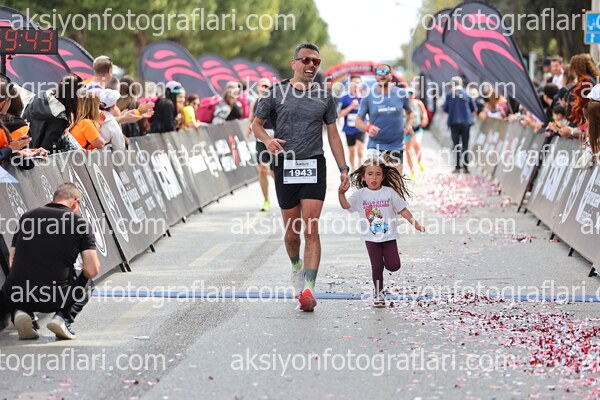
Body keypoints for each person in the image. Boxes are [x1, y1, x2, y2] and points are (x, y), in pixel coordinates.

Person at [252, 43, 350, 312]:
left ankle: (309, 287)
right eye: (306, 60)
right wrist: (268, 141)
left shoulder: (324, 97)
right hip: (285, 165)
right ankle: (296, 267)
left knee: (311, 228)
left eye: (316, 62)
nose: (311, 65)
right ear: (294, 63)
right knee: (292, 232)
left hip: (314, 165)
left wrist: (343, 168)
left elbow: (333, 134)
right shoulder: (275, 93)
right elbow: (256, 125)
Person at [0, 183, 100, 340]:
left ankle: (19, 311)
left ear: (54, 198)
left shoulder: (27, 216)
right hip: (55, 298)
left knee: (11, 283)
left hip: (20, 294)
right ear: (76, 202)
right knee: (88, 283)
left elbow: (12, 260)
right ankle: (63, 317)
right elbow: (92, 270)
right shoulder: (80, 223)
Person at [338, 157, 424, 307]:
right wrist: (341, 194)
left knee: (394, 266)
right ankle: (379, 295)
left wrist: (416, 224)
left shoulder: (389, 192)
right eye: (370, 174)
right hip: (371, 238)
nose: (374, 178)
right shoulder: (360, 194)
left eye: (378, 174)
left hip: (389, 236)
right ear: (363, 177)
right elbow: (346, 206)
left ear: (383, 177)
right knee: (377, 267)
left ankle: (385, 262)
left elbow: (403, 209)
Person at [355, 64, 414, 175]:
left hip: (396, 146)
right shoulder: (368, 97)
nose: (382, 75)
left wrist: (408, 125)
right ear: (375, 76)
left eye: (386, 72)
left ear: (391, 76)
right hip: (375, 146)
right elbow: (358, 122)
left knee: (395, 181)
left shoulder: (401, 94)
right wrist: (368, 127)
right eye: (379, 73)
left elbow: (410, 113)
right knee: (374, 181)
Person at [24, 73, 83, 153]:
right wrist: (72, 149)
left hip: (23, 152)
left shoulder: (37, 99)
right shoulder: (59, 119)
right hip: (39, 157)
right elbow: (49, 149)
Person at [247, 78, 274, 211]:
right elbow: (251, 119)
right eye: (262, 86)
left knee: (275, 173)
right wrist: (249, 127)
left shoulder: (275, 102)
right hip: (261, 140)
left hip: (274, 140)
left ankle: (284, 198)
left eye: (267, 86)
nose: (264, 88)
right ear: (257, 88)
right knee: (262, 169)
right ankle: (266, 200)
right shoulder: (255, 102)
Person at [443, 76, 475, 173]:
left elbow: (445, 108)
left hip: (454, 122)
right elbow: (473, 108)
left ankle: (457, 167)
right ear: (461, 83)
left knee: (456, 145)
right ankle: (465, 167)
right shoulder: (467, 93)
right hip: (466, 122)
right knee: (465, 145)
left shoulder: (449, 94)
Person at [338, 75, 366, 170]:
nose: (356, 84)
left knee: (360, 151)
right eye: (354, 82)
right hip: (349, 129)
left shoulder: (365, 98)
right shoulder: (344, 98)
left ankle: (360, 171)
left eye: (358, 82)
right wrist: (351, 106)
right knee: (352, 152)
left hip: (361, 128)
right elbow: (339, 115)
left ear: (361, 84)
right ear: (350, 84)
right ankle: (353, 169)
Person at [404, 87, 429, 180]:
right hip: (407, 130)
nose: (410, 95)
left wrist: (424, 119)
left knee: (417, 144)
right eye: (408, 94)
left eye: (411, 93)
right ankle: (412, 171)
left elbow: (424, 113)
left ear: (414, 94)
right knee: (408, 150)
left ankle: (419, 161)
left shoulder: (418, 103)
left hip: (417, 128)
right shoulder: (403, 105)